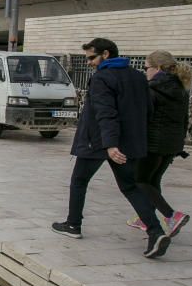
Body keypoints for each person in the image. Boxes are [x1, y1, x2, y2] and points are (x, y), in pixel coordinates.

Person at [52, 38, 172, 259]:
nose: (89, 63)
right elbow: (148, 110)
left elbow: (105, 113)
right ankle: (156, 231)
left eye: (91, 57)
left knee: (79, 181)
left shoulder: (102, 78)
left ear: (106, 54)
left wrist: (110, 144)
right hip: (128, 143)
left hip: (100, 142)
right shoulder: (137, 76)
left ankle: (73, 225)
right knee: (130, 187)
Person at [128, 50, 192, 236]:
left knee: (139, 180)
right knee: (153, 181)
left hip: (153, 143)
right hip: (171, 145)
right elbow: (184, 120)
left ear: (157, 68)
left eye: (146, 67)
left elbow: (142, 118)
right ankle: (146, 217)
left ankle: (172, 215)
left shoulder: (153, 89)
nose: (145, 71)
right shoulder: (180, 89)